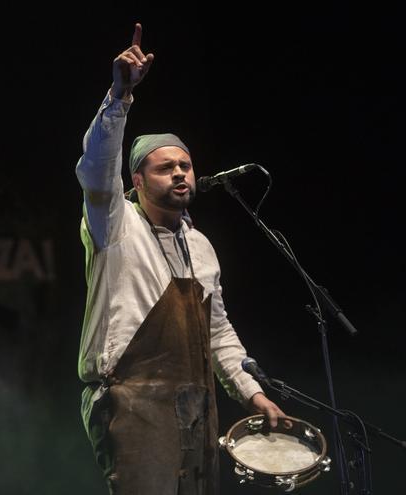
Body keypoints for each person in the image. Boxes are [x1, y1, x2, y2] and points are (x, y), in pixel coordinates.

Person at [75, 24, 288, 494]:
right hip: (131, 401)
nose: (179, 174)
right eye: (164, 167)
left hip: (195, 405)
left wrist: (252, 392)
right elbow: (95, 170)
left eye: (185, 166)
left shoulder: (202, 246)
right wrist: (119, 98)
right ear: (136, 179)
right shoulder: (114, 224)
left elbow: (217, 331)